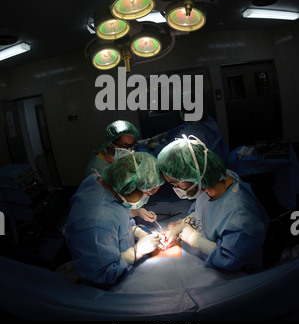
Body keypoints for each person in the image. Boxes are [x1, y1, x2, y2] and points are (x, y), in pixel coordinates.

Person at [156, 135, 269, 273]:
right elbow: (208, 208)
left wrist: (195, 240)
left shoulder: (240, 218)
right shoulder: (211, 180)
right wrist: (186, 222)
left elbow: (229, 260)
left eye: (175, 183)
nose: (175, 188)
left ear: (193, 175)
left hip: (241, 277)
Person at [65, 152, 164, 289]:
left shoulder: (104, 185)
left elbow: (117, 224)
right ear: (129, 187)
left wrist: (135, 230)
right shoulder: (98, 222)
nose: (146, 199)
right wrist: (135, 252)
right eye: (147, 194)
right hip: (105, 289)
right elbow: (101, 276)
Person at [85, 119, 157, 223]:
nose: (128, 150)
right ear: (110, 144)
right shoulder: (97, 169)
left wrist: (136, 210)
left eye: (131, 146)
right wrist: (133, 221)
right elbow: (107, 205)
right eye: (124, 146)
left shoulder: (120, 159)